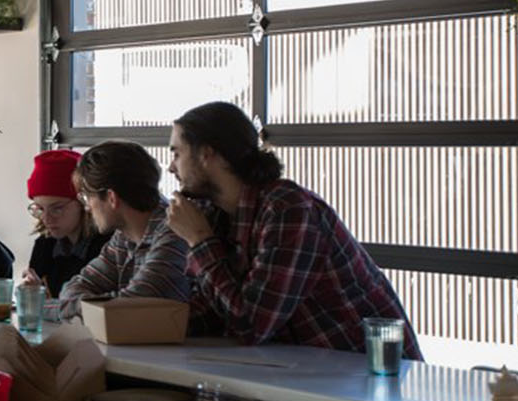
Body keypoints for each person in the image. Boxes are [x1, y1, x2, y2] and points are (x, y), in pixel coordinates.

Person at [165, 101, 421, 358]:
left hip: (370, 378)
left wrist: (199, 240)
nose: (171, 167)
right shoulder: (214, 214)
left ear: (207, 154)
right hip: (302, 373)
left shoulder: (287, 208)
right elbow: (211, 312)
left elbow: (251, 325)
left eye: (176, 153)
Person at [58, 140, 190, 319]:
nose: (87, 208)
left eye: (87, 197)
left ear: (111, 198)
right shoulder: (123, 236)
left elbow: (132, 308)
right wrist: (86, 306)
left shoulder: (174, 232)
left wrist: (72, 307)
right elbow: (74, 288)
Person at [22, 150, 110, 298]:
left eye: (57, 208)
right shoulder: (45, 245)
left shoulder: (108, 248)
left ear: (83, 203)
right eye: (40, 209)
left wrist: (45, 299)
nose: (46, 219)